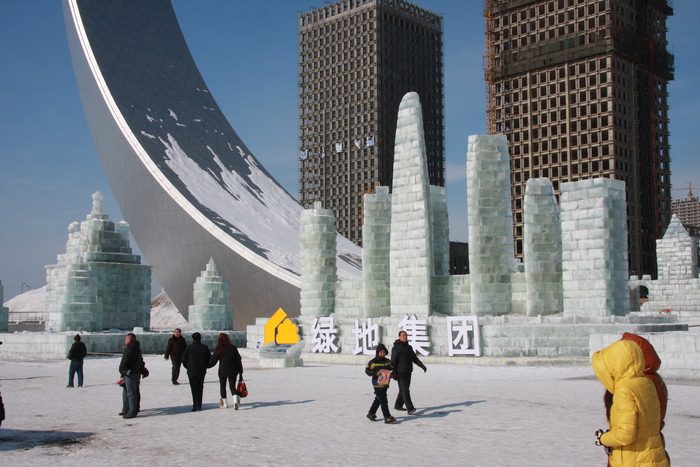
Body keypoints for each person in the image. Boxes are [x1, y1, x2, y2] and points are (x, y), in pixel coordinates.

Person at [592, 339, 668, 467]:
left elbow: (626, 435)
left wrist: (603, 438)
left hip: (633, 459)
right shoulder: (646, 383)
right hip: (652, 457)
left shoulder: (624, 390)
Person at [391, 330, 426, 415]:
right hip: (400, 372)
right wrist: (393, 373)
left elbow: (414, 358)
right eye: (403, 335)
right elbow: (393, 361)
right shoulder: (396, 348)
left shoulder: (409, 347)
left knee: (403, 389)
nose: (405, 336)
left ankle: (398, 405)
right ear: (399, 337)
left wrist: (422, 366)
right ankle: (410, 408)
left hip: (408, 372)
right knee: (405, 390)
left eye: (406, 335)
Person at [208, 333, 244, 409]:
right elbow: (238, 359)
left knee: (222, 387)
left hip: (223, 370)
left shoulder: (219, 348)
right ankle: (235, 402)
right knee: (232, 386)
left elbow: (213, 360)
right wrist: (240, 371)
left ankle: (225, 404)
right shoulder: (233, 348)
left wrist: (206, 366)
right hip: (233, 370)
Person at [365, 343, 396, 424]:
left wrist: (392, 375)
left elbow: (392, 369)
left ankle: (371, 413)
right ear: (377, 352)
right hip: (376, 383)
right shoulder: (373, 362)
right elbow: (367, 371)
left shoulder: (387, 361)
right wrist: (376, 373)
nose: (382, 353)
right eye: (380, 352)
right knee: (383, 399)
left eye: (383, 352)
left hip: (385, 382)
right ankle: (387, 417)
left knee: (379, 398)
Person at [182, 332, 211, 412]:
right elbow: (209, 358)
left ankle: (195, 405)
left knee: (194, 388)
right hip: (201, 370)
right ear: (200, 338)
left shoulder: (189, 347)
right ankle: (199, 405)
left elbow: (184, 359)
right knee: (200, 387)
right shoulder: (204, 347)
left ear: (193, 338)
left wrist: (188, 367)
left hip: (191, 370)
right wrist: (205, 366)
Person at [118, 333, 143, 419]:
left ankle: (132, 411)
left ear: (130, 340)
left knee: (131, 393)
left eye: (126, 339)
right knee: (127, 392)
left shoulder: (131, 349)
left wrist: (122, 371)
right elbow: (140, 360)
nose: (125, 340)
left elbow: (126, 362)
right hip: (129, 373)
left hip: (130, 373)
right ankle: (126, 409)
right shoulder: (134, 348)